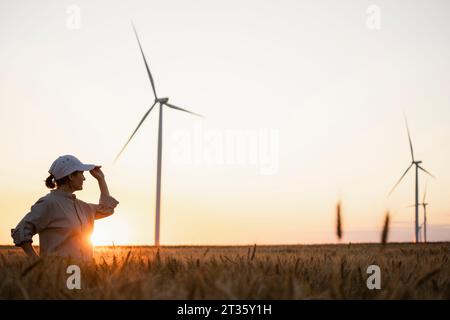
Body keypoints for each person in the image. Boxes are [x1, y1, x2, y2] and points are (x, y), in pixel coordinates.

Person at [11, 155, 119, 261]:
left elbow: (107, 209)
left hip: (83, 275)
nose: (84, 178)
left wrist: (101, 179)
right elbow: (21, 231)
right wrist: (37, 263)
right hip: (58, 276)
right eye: (81, 173)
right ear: (71, 176)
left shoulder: (82, 207)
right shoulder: (49, 203)